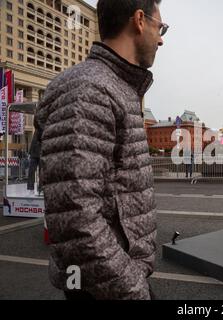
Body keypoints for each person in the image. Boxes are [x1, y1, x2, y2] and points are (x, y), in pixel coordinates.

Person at [34, 0, 167, 300]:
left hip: (110, 278)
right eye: (161, 27)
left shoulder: (116, 87)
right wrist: (133, 288)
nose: (161, 39)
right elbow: (76, 219)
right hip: (104, 287)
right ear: (139, 20)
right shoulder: (91, 90)